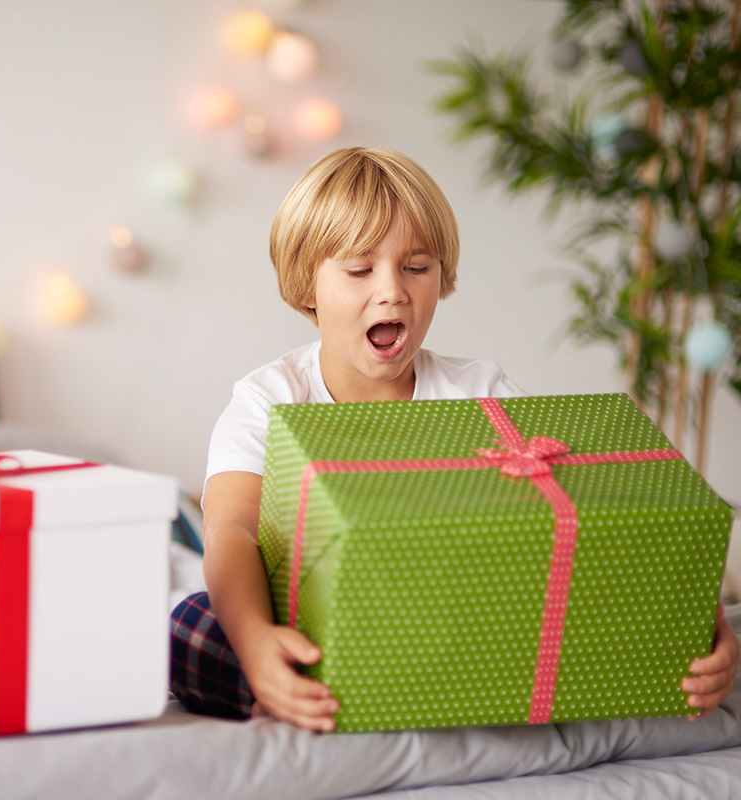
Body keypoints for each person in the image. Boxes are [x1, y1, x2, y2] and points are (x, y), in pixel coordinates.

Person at [168, 146, 740, 732]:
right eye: (361, 270)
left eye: (417, 267)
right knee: (193, 621)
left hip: (452, 616)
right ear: (306, 285)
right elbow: (230, 530)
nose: (392, 291)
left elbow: (587, 516)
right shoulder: (269, 398)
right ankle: (291, 680)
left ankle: (369, 688)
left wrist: (704, 623)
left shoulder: (483, 395)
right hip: (307, 611)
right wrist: (257, 640)